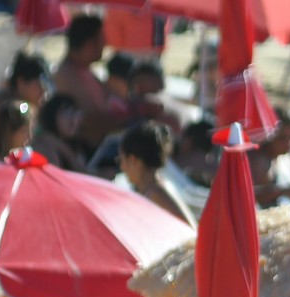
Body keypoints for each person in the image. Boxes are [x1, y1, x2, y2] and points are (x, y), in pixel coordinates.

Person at [51, 14, 128, 151]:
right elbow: (90, 121)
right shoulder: (66, 75)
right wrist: (131, 117)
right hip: (90, 151)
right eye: (102, 40)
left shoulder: (84, 70)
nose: (105, 44)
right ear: (89, 45)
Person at [118, 120, 195, 226]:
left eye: (122, 160)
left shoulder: (157, 193)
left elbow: (191, 230)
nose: (122, 167)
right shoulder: (146, 190)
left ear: (133, 160)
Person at [249, 109, 290, 206]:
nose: (288, 143)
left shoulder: (284, 159)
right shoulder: (258, 161)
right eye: (282, 138)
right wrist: (281, 192)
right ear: (269, 136)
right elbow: (247, 195)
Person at [32, 93, 87, 171]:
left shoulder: (77, 144)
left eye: (75, 112)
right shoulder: (45, 145)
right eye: (66, 112)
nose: (73, 119)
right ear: (52, 117)